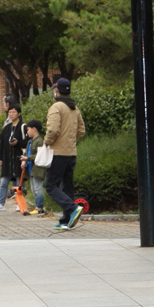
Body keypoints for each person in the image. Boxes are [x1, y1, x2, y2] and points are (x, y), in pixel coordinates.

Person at [45, 77, 88, 231]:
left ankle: (72, 208)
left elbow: (53, 130)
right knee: (67, 186)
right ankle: (66, 219)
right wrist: (70, 141)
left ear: (57, 90)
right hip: (71, 153)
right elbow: (81, 130)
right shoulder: (74, 109)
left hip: (58, 153)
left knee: (50, 185)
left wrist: (47, 142)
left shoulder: (56, 107)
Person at [0, 104, 24, 212]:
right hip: (7, 159)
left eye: (14, 112)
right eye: (9, 112)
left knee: (18, 183)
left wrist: (17, 143)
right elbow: (1, 145)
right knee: (3, 182)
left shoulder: (22, 127)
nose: (11, 114)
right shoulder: (6, 128)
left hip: (18, 159)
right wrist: (0, 158)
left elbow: (26, 142)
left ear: (19, 114)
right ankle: (0, 203)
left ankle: (19, 203)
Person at [20, 120, 46, 216]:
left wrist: (27, 158)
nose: (27, 132)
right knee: (33, 188)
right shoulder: (30, 141)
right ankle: (37, 206)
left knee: (38, 188)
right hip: (30, 168)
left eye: (28, 129)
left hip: (38, 169)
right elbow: (27, 153)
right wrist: (24, 160)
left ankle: (39, 207)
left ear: (34, 129)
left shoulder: (39, 141)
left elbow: (40, 155)